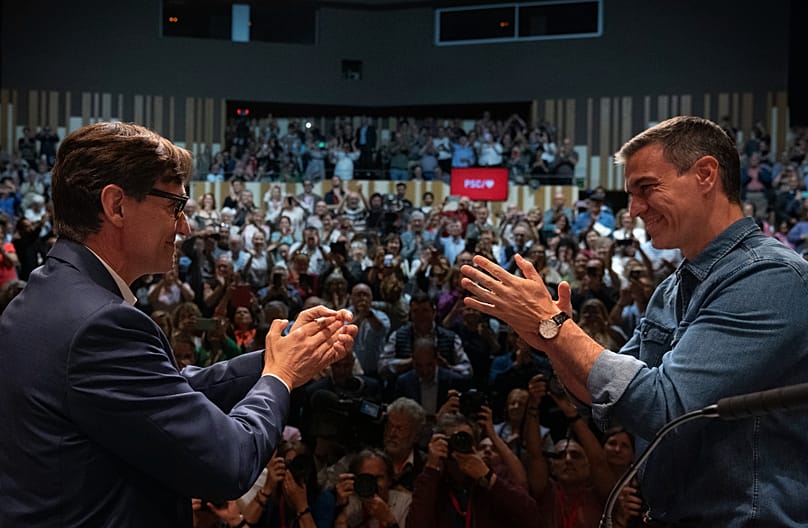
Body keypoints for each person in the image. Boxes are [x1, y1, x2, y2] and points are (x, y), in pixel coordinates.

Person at [0, 122, 358, 527]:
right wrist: (280, 376)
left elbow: (165, 391)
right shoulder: (100, 325)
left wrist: (278, 354)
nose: (185, 226)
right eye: (175, 206)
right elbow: (230, 462)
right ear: (116, 205)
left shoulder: (42, 295)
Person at [460, 116, 808, 525]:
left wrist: (555, 325)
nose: (634, 209)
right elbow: (608, 403)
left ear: (705, 174)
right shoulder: (671, 290)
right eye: (630, 194)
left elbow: (667, 408)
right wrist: (550, 341)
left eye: (646, 188)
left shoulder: (770, 276)